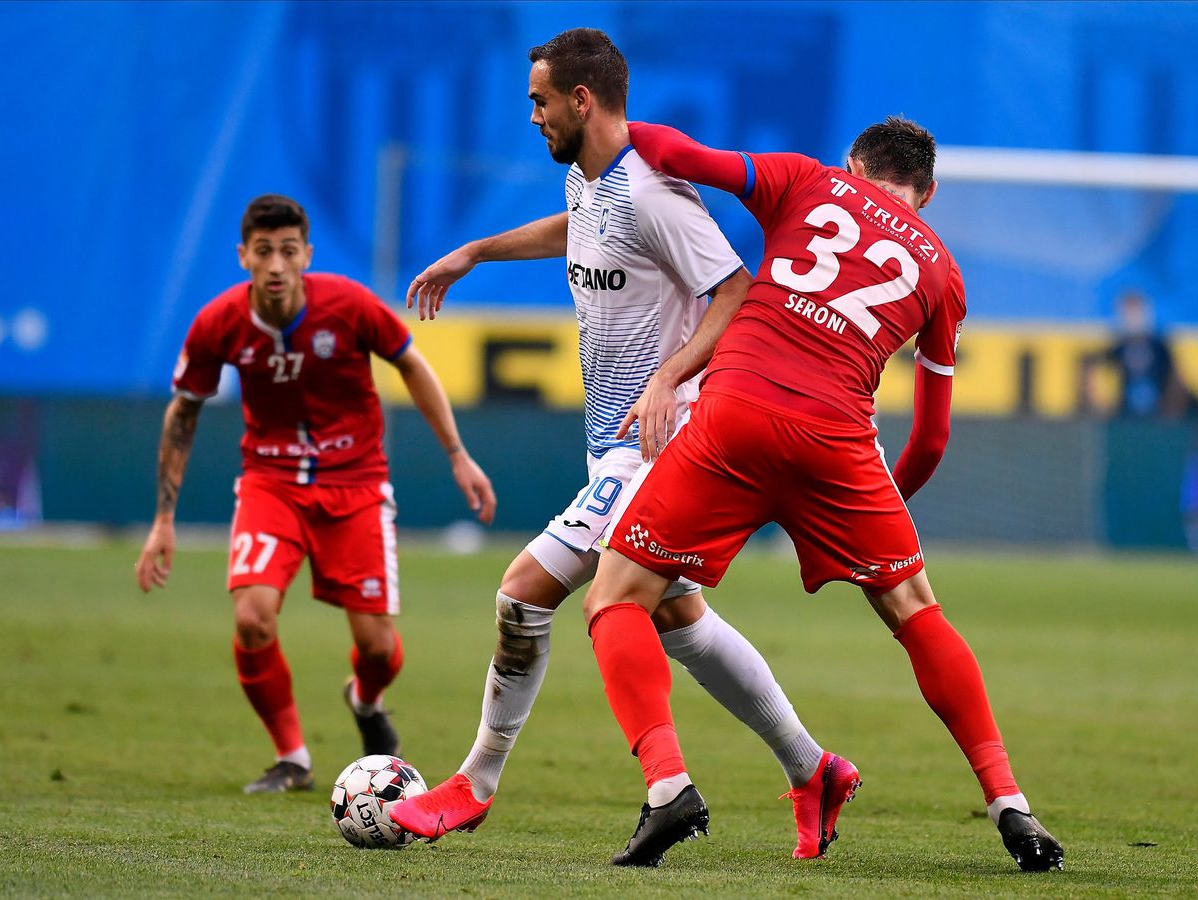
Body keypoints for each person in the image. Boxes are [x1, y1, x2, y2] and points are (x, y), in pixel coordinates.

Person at [388, 28, 856, 864]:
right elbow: (574, 226)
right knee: (678, 620)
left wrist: (670, 375)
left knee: (524, 593)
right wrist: (474, 252)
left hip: (664, 444)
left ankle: (489, 784)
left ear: (582, 100)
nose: (530, 116)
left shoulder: (652, 189)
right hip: (617, 447)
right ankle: (812, 769)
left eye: (538, 101)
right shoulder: (588, 180)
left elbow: (738, 287)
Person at [579, 118, 1065, 872]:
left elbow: (680, 157)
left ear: (853, 164)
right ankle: (1012, 805)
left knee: (615, 598)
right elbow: (932, 438)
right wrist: (871, 507)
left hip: (736, 413)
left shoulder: (806, 179)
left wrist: (614, 119)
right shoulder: (940, 270)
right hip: (840, 446)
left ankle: (668, 785)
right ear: (926, 194)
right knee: (916, 612)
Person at [134, 194, 496, 793]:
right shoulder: (217, 323)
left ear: (306, 254)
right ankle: (293, 758)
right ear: (243, 255)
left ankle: (365, 699)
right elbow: (184, 412)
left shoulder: (349, 305)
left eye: (287, 250)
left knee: (378, 647)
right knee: (252, 618)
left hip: (355, 485)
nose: (275, 264)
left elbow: (412, 366)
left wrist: (458, 456)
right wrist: (163, 520)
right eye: (263, 251)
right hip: (269, 484)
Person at [1082, 290, 1194, 418]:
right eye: (1128, 309)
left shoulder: (1160, 348)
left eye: (1136, 308)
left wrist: (1170, 412)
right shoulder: (1119, 348)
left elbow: (1177, 381)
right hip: (1126, 416)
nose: (1132, 315)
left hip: (1160, 415)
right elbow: (1090, 364)